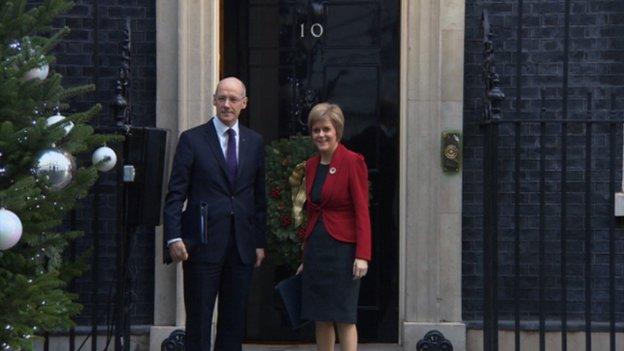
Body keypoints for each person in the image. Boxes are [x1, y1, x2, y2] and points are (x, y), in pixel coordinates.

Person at [163, 77, 267, 351]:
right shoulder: (192, 139)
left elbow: (259, 197)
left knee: (233, 322)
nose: (227, 104)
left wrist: (259, 242)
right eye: (222, 98)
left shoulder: (255, 142)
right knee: (198, 320)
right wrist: (174, 237)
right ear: (213, 100)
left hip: (241, 246)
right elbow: (175, 194)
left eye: (233, 99)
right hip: (202, 245)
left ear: (244, 104)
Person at [297, 102, 372, 351]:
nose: (321, 135)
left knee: (343, 315)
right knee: (321, 314)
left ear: (337, 130)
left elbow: (362, 211)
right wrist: (305, 256)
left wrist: (362, 255)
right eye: (316, 130)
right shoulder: (310, 164)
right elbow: (312, 212)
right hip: (317, 249)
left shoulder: (352, 161)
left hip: (343, 250)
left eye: (326, 129)